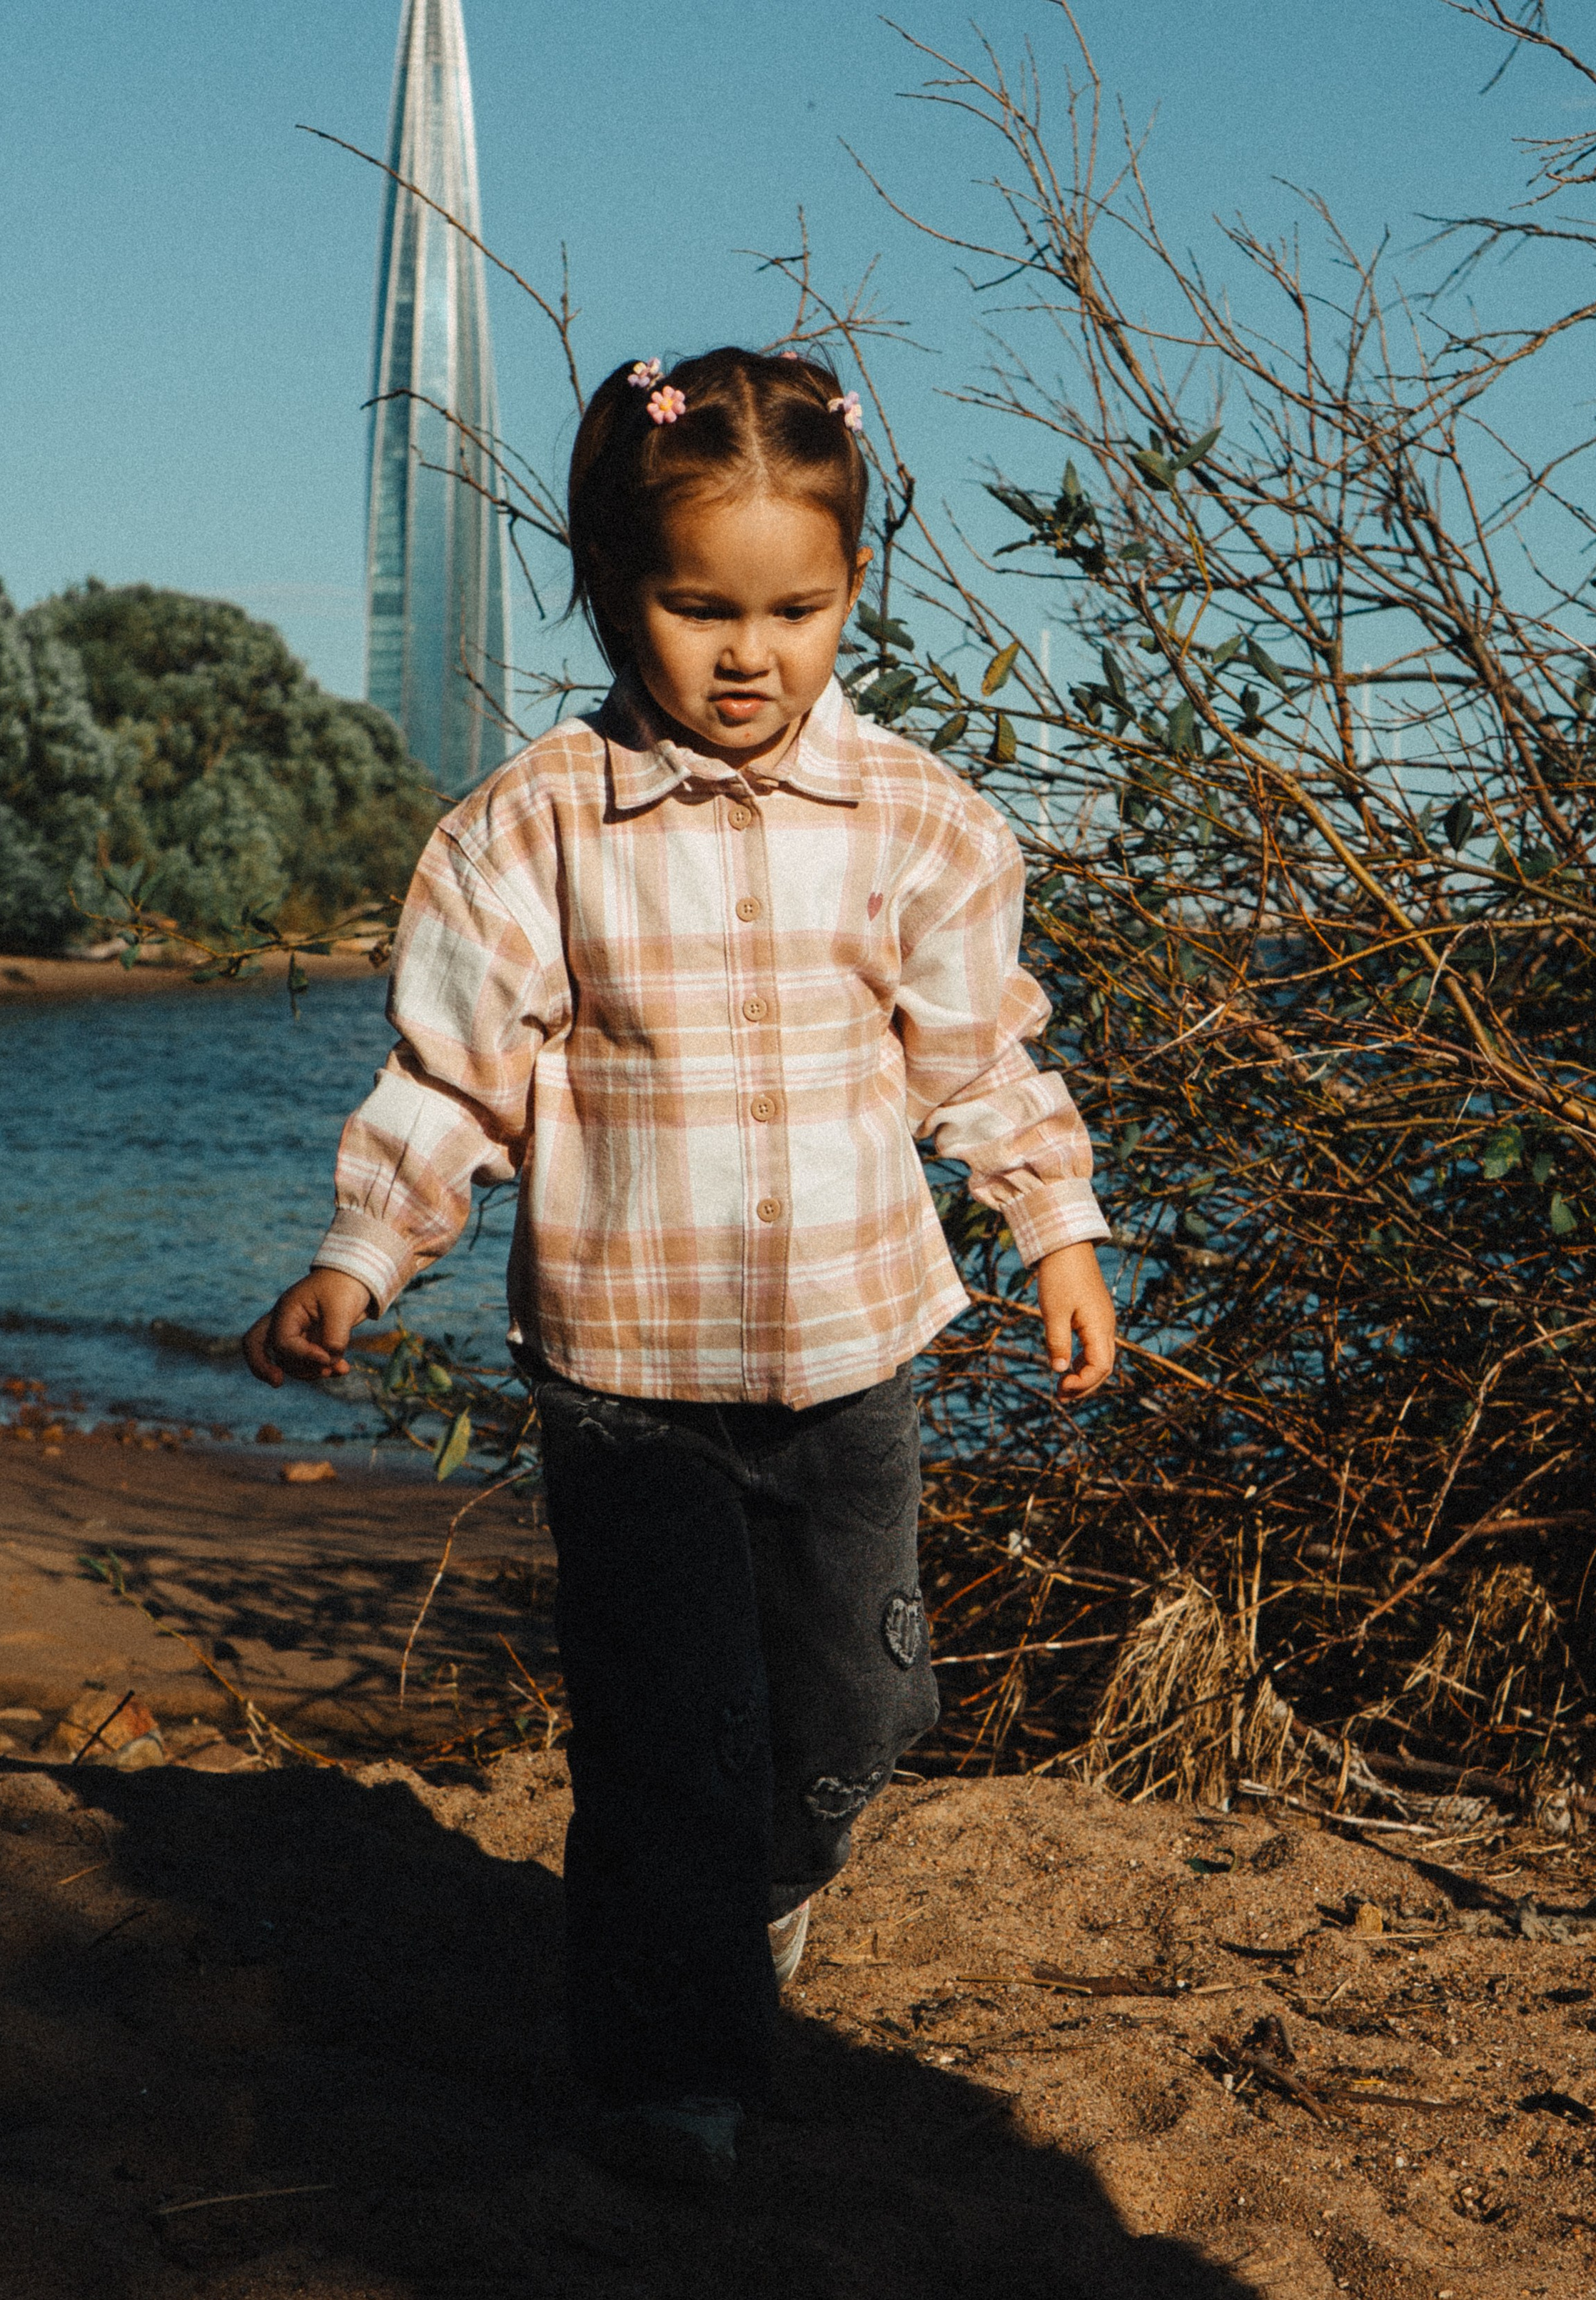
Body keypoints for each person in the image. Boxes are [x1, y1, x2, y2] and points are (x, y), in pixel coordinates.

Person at [243, 346, 1114, 2185]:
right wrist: (363, 1254)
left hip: (853, 1358)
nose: (748, 655)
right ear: (610, 587)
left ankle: (765, 1886)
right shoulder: (530, 831)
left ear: (854, 586)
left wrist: (1055, 1227)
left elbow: (979, 1057)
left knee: (860, 1708)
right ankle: (671, 2078)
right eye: (698, 607)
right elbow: (452, 1079)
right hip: (626, 1379)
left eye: (795, 610)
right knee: (667, 1738)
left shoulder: (926, 825)